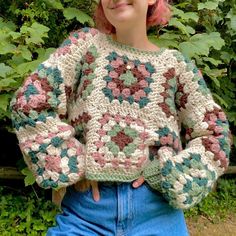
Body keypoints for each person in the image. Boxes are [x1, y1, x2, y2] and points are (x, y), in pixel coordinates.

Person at [10, 0, 231, 235]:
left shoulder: (176, 67)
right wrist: (74, 161)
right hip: (86, 215)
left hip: (157, 214)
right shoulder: (84, 47)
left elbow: (215, 135)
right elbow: (29, 104)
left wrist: (171, 175)